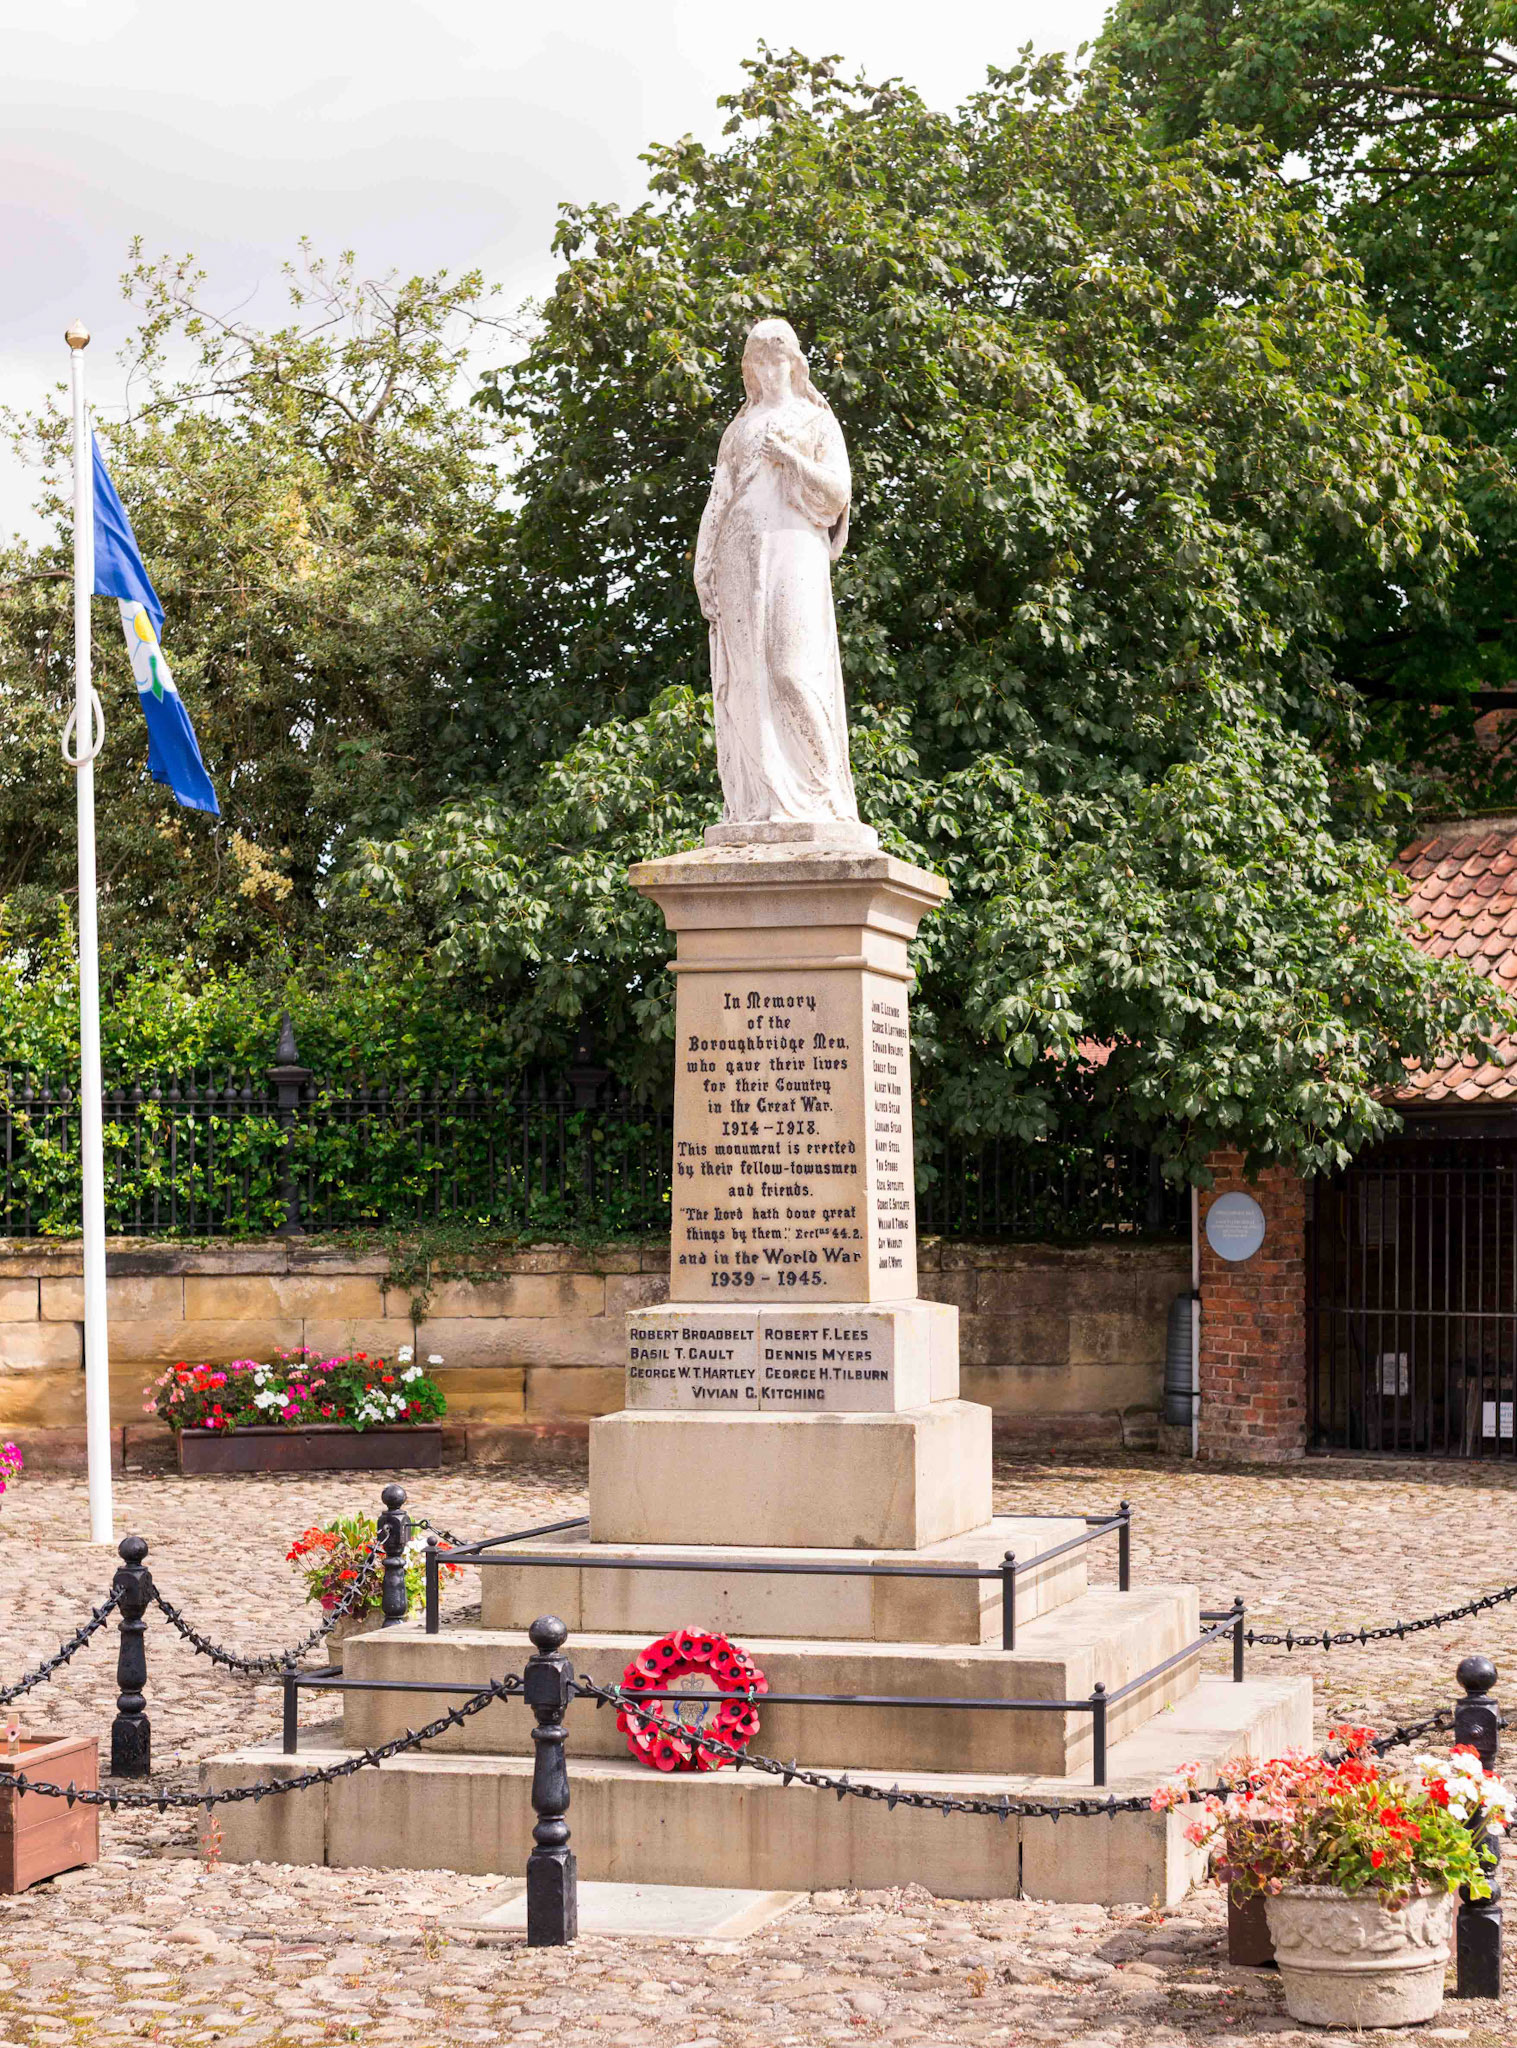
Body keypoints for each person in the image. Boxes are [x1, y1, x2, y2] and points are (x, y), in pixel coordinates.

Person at [694, 318, 859, 825]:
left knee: (791, 669)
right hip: (738, 552)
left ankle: (824, 795)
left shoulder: (815, 421)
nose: (768, 369)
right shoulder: (738, 429)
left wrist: (790, 459)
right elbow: (718, 499)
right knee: (749, 677)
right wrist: (704, 565)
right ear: (749, 368)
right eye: (757, 360)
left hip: (793, 545)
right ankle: (758, 803)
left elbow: (837, 492)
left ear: (795, 362)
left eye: (776, 357)